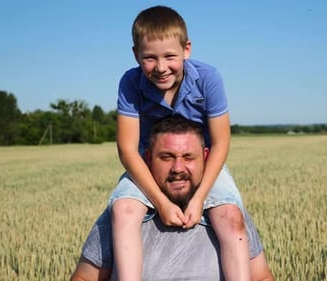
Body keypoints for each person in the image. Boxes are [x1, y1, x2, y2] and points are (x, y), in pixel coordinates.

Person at [110, 5, 250, 280]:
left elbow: (221, 142)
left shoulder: (209, 78)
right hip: (150, 166)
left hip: (203, 164)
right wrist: (161, 202)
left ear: (187, 49)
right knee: (122, 209)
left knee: (232, 219)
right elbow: (127, 149)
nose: (161, 68)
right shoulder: (129, 82)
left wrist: (199, 199)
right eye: (149, 58)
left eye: (170, 56)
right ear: (135, 54)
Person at [70, 116, 274, 280]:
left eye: (188, 157)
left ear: (205, 158)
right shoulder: (123, 214)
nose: (178, 168)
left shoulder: (228, 214)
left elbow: (261, 277)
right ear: (148, 159)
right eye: (166, 157)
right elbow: (84, 277)